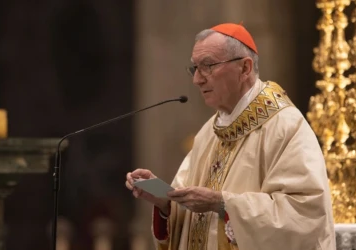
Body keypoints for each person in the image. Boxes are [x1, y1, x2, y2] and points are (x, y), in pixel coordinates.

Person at [125, 23, 336, 250]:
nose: (197, 79)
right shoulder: (209, 132)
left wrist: (223, 203)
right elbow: (189, 213)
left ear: (244, 68)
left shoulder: (285, 126)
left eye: (207, 66)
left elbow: (304, 216)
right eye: (194, 68)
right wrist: (165, 201)